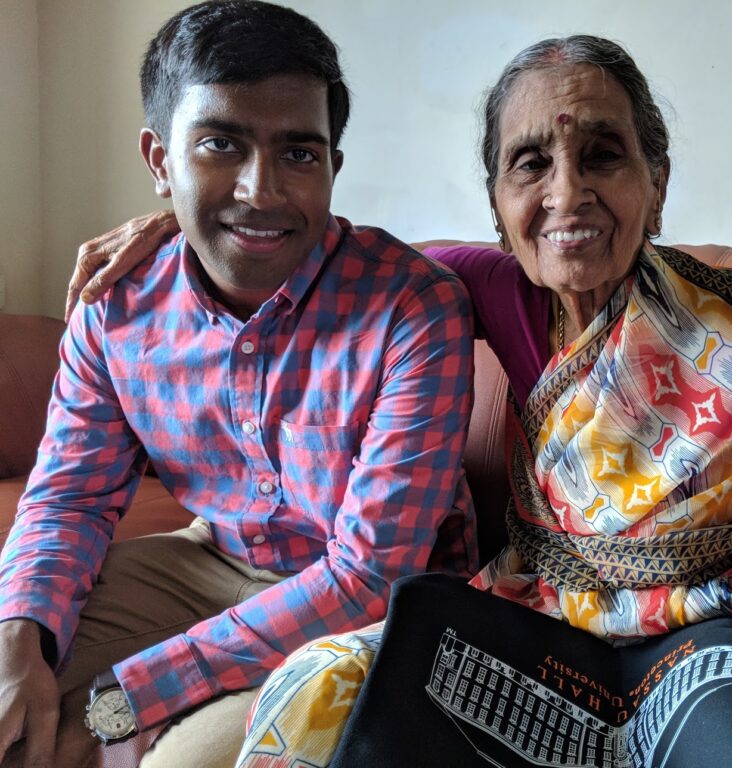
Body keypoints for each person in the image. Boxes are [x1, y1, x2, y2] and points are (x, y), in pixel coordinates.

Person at [66, 35, 732, 768]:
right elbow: (303, 246)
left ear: (658, 179)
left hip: (730, 616)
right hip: (537, 610)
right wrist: (176, 224)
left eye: (602, 154)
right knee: (327, 691)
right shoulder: (465, 286)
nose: (566, 194)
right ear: (497, 205)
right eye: (530, 163)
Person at [0, 3, 476, 767]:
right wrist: (17, 641)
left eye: (298, 153)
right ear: (160, 161)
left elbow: (371, 575)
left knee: (179, 761)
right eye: (221, 143)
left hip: (375, 608)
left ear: (331, 169)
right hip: (208, 559)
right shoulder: (117, 305)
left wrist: (128, 698)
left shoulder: (412, 307)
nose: (262, 191)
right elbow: (68, 497)